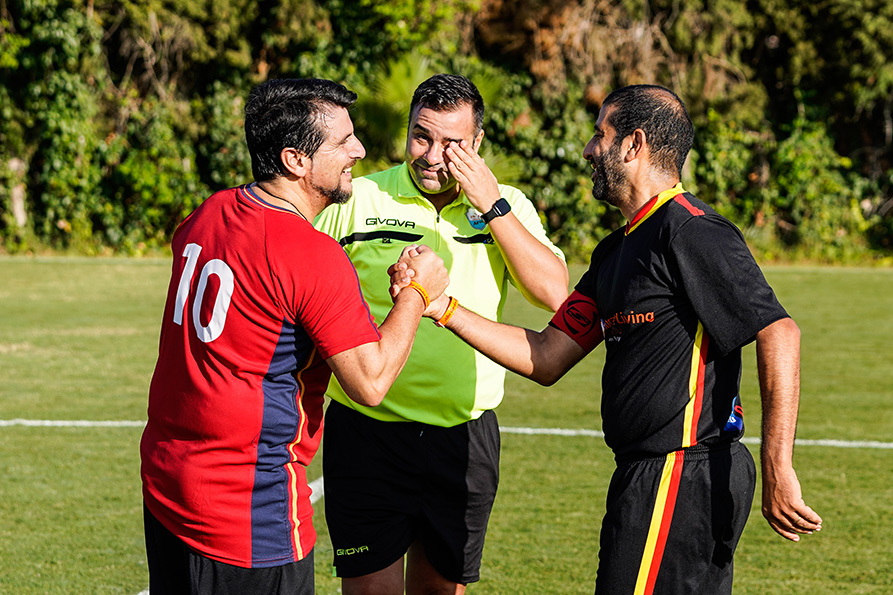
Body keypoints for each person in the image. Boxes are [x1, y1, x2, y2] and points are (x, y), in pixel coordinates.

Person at [392, 84, 823, 594]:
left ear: (633, 144)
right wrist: (442, 307)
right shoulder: (615, 251)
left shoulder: (690, 229)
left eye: (600, 134)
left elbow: (778, 330)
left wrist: (778, 465)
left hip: (681, 473)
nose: (587, 150)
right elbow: (546, 356)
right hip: (644, 476)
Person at [139, 78, 449, 595]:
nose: (359, 151)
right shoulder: (309, 253)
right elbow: (370, 381)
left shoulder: (207, 213)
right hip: (247, 514)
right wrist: (418, 292)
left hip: (169, 489)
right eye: (343, 142)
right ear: (295, 160)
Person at [314, 73, 569, 594]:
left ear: (477, 142)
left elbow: (553, 292)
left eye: (451, 143)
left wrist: (491, 204)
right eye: (421, 136)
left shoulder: (508, 204)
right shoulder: (359, 196)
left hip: (463, 438)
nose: (432, 156)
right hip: (367, 433)